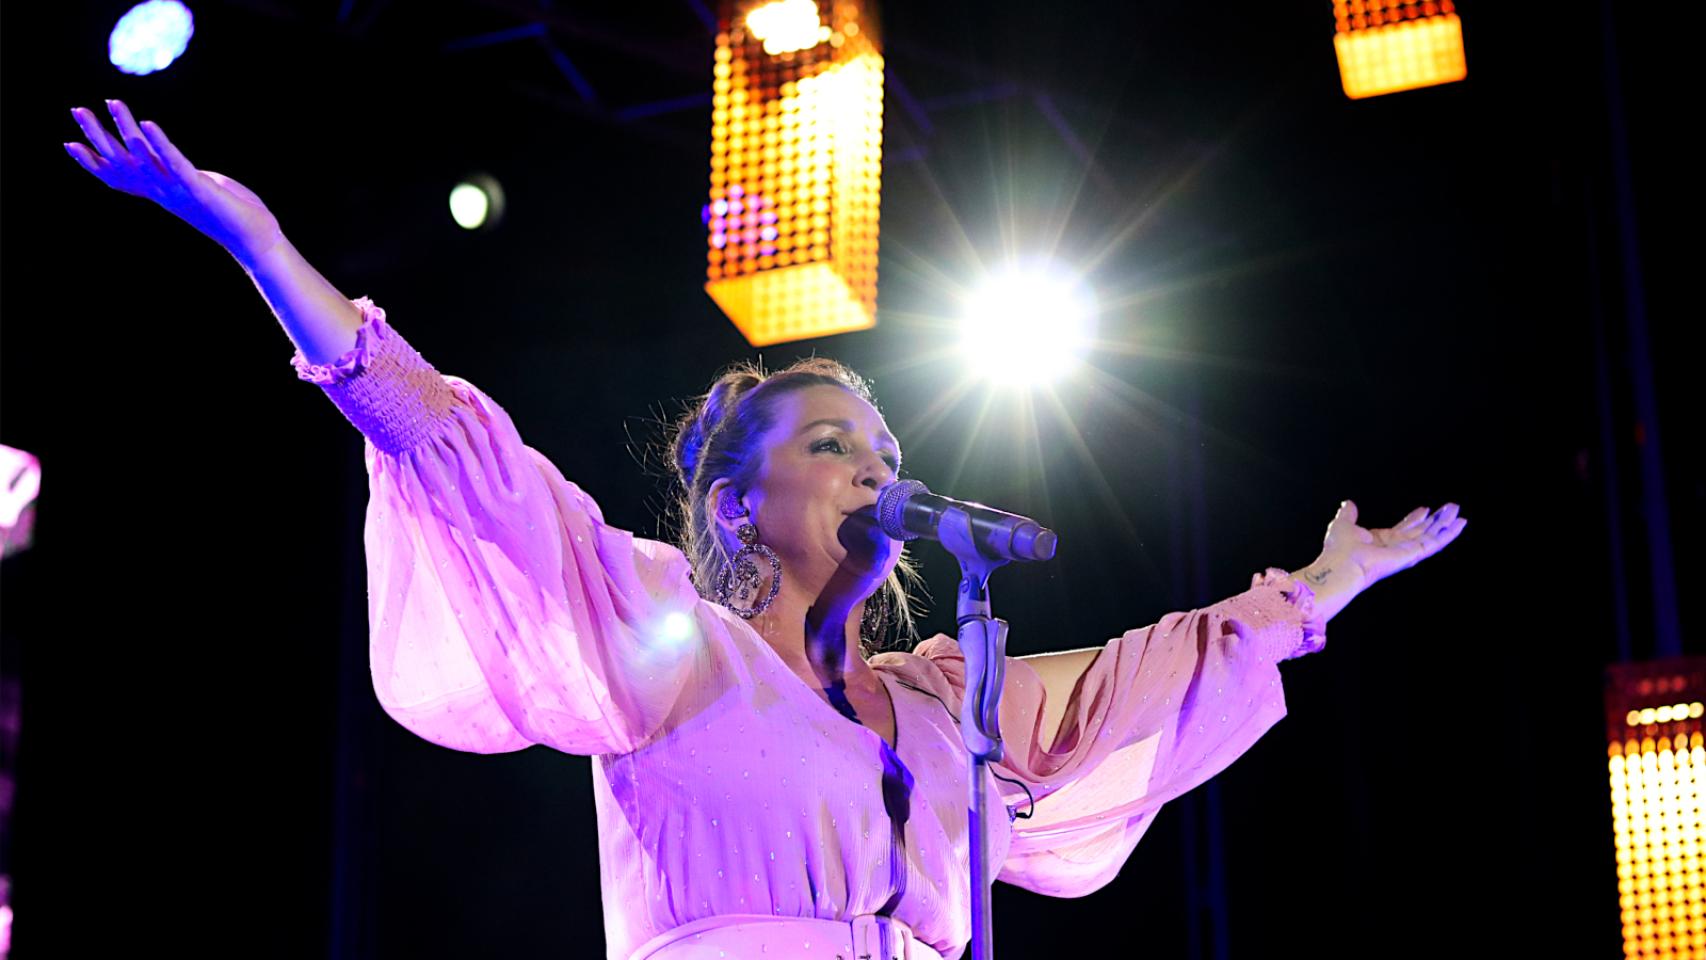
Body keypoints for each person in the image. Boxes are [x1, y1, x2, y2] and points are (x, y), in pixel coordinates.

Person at [65, 99, 1467, 960]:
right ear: (740, 497)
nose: (874, 464)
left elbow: (1134, 684)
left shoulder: (943, 698)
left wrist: (1318, 588)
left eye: (886, 448)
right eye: (831, 441)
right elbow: (466, 459)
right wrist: (257, 244)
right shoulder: (676, 648)